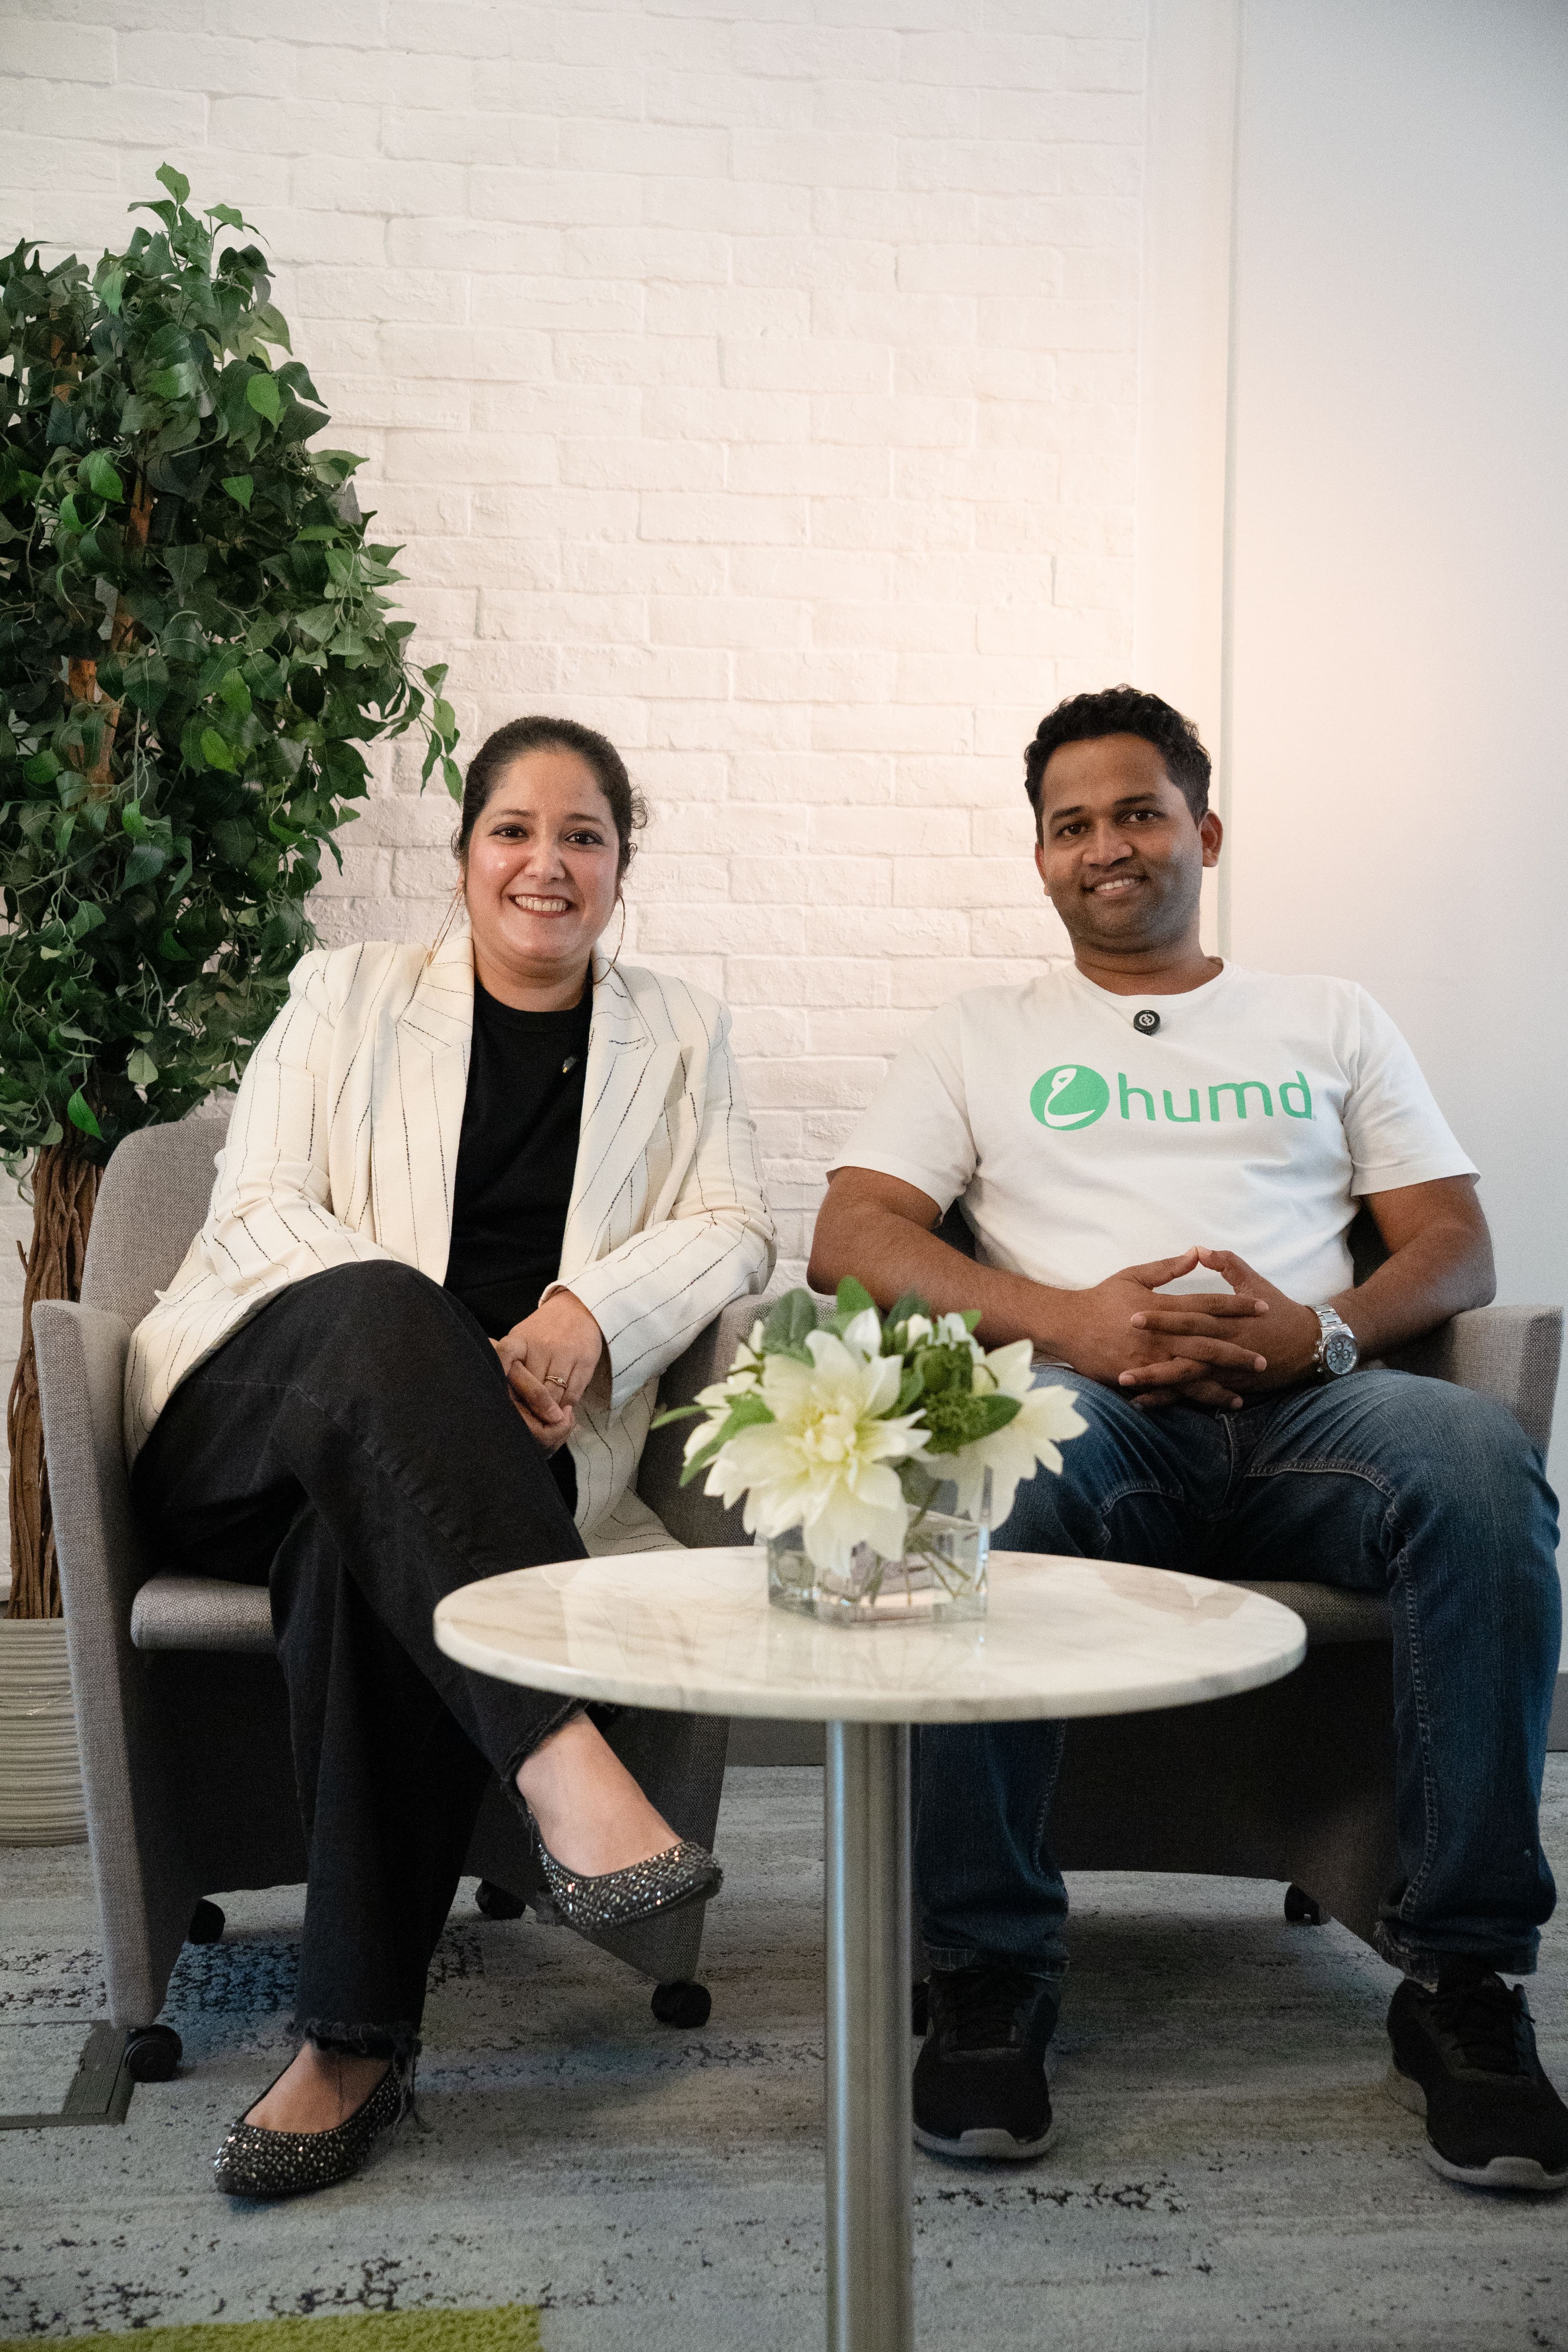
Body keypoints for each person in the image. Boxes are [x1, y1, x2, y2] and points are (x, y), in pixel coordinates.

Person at [809, 685, 1565, 2194]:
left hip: (1322, 1415)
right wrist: (1069, 1325)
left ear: (1204, 834)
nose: (1108, 845)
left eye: (1140, 813)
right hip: (1092, 1415)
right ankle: (987, 1970)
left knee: (1484, 1469)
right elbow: (853, 1237)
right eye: (1072, 824)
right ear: (1041, 856)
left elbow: (1456, 1243)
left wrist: (1324, 1331)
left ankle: (1462, 1981)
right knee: (987, 1473)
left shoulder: (1329, 1017)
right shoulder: (977, 1035)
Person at [129, 715, 774, 2198]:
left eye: (584, 836)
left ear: (621, 867)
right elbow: (261, 1205)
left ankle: (349, 2047)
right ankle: (560, 1753)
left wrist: (589, 1315)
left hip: (466, 1489)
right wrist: (440, 1352)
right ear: (466, 853)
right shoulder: (346, 992)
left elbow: (738, 1223)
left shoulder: (681, 1032)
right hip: (251, 1427)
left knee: (360, 1559)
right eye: (514, 831)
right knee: (377, 1313)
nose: (547, 864)